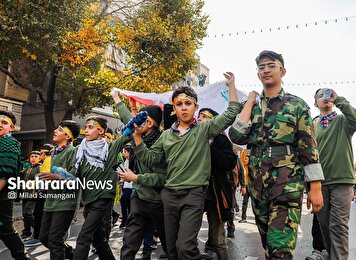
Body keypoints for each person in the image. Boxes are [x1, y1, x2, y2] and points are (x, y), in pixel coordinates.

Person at [132, 73, 239, 260]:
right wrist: (138, 138)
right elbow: (150, 159)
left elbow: (231, 114)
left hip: (194, 195)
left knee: (185, 248)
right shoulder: (165, 136)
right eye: (179, 104)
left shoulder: (204, 129)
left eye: (188, 103)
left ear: (195, 107)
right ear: (174, 109)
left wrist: (231, 86)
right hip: (169, 196)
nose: (183, 108)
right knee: (171, 249)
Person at [228, 50, 324, 259]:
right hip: (258, 184)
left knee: (280, 248)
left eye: (271, 65)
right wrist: (250, 103)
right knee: (268, 245)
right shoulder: (251, 106)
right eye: (261, 67)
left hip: (287, 183)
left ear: (282, 70)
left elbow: (308, 147)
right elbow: (236, 136)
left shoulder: (296, 105)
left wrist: (315, 186)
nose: (266, 70)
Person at [72, 101, 133, 260]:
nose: (86, 130)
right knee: (100, 241)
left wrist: (119, 102)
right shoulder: (81, 150)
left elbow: (131, 129)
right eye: (86, 127)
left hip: (103, 198)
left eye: (91, 127)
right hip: (88, 199)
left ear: (101, 131)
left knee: (83, 238)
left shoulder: (112, 147)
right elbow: (75, 174)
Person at [313, 87, 356, 259]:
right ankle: (332, 254)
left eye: (328, 95)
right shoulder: (312, 126)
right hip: (319, 183)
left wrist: (340, 99)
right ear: (315, 103)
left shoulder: (344, 120)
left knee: (339, 225)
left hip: (342, 181)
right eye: (320, 96)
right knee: (324, 225)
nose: (325, 97)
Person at [116, 101, 168, 260]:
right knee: (129, 243)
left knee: (169, 244)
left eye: (140, 119)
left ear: (150, 123)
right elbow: (128, 119)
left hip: (159, 202)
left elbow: (162, 178)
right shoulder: (139, 135)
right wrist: (117, 99)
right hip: (138, 198)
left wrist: (136, 178)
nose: (135, 123)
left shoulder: (161, 144)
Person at [197, 108, 237, 260]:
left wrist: (209, 147)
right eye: (199, 116)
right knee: (187, 233)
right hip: (195, 191)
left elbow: (229, 162)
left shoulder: (221, 140)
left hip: (214, 194)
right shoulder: (192, 135)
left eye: (205, 116)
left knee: (218, 237)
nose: (200, 119)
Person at [38, 120, 80, 260]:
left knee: (55, 240)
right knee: (44, 237)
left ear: (68, 136)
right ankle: (69, 253)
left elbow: (75, 179)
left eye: (60, 129)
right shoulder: (54, 152)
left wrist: (56, 177)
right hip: (50, 202)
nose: (55, 130)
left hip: (65, 203)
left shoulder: (73, 151)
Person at [0, 110, 30, 259]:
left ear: (11, 128)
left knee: (5, 230)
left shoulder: (9, 142)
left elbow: (4, 173)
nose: (0, 125)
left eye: (4, 123)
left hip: (2, 196)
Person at [20, 151, 41, 240]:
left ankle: (39, 230)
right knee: (24, 215)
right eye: (32, 156)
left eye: (36, 156)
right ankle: (26, 232)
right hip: (25, 194)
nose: (33, 158)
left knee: (27, 213)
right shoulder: (27, 168)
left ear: (39, 158)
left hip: (34, 194)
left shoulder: (40, 168)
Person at [238, 150, 250, 223]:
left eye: (247, 158)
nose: (245, 160)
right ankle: (243, 218)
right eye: (244, 158)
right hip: (245, 186)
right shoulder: (243, 168)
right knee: (245, 202)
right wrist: (242, 187)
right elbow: (241, 177)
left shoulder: (251, 167)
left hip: (252, 187)